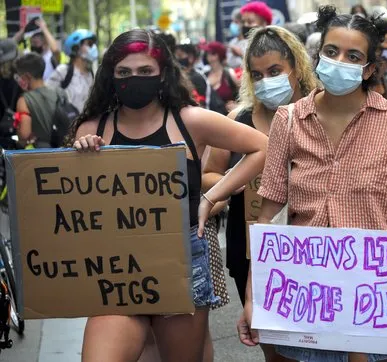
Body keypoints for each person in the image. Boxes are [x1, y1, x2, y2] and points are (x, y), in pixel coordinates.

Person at [225, 6, 387, 362]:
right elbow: (266, 220)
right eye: (331, 52)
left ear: (367, 68)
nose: (339, 61)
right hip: (307, 303)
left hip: (375, 304)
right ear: (318, 57)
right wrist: (252, 297)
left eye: (353, 56)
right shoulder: (288, 121)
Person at [70, 29, 268, 362]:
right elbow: (74, 204)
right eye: (124, 73)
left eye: (145, 71)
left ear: (163, 74)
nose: (134, 79)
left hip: (180, 261)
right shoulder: (92, 129)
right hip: (116, 266)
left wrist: (212, 197)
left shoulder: (191, 120)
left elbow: (262, 146)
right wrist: (81, 156)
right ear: (110, 76)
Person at [203, 24, 317, 308]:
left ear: (297, 68)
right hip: (249, 249)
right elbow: (207, 176)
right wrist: (230, 179)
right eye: (257, 75)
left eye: (275, 72)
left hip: (311, 244)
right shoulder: (235, 122)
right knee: (272, 344)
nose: (266, 81)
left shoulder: (321, 113)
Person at [13, 53, 68, 148]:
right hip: (64, 149)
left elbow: (24, 135)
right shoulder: (60, 92)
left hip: (40, 154)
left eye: (19, 76)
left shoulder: (25, 100)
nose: (18, 80)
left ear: (27, 76)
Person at [47, 29, 97, 113]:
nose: (93, 48)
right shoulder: (63, 71)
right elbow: (47, 95)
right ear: (76, 48)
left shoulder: (91, 74)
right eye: (89, 44)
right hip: (67, 124)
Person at [202, 41, 239, 115]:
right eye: (207, 53)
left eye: (212, 53)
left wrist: (238, 106)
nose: (208, 55)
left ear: (218, 55)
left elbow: (242, 95)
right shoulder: (204, 75)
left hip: (229, 118)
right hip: (209, 119)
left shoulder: (229, 73)